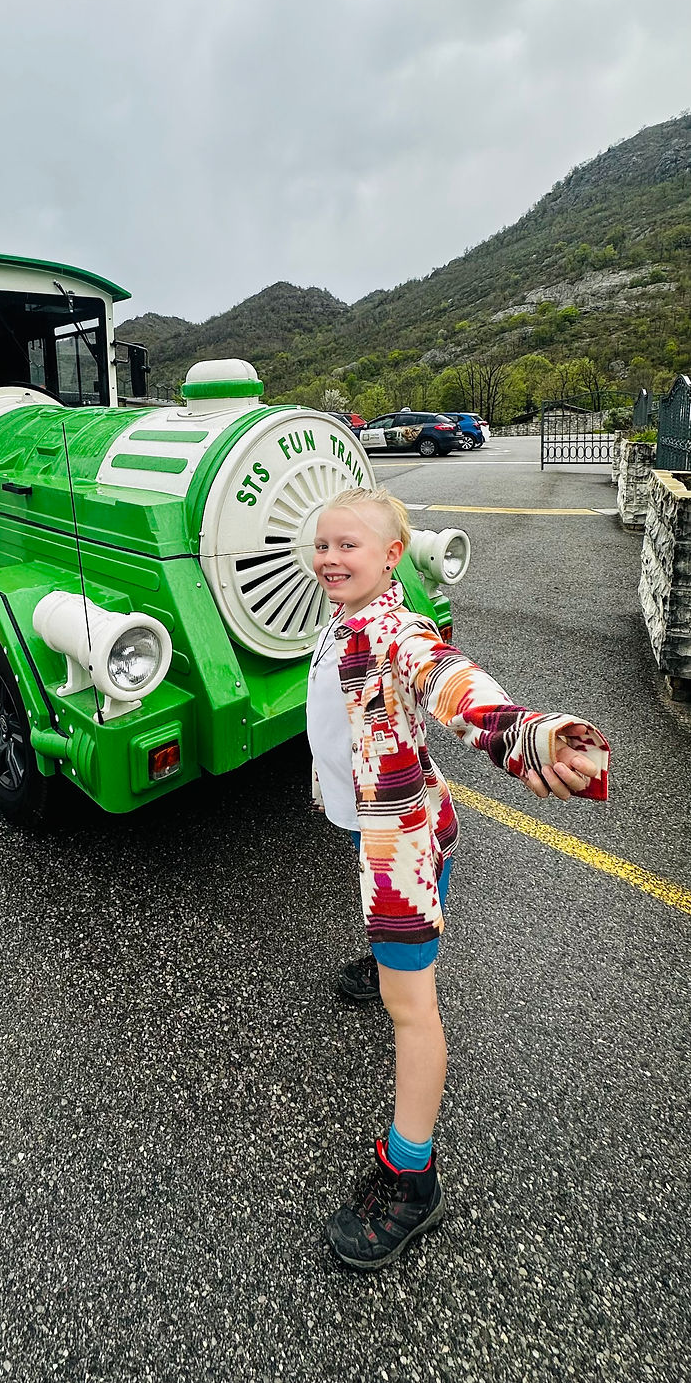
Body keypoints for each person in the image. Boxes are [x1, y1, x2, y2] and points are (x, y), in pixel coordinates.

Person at [307, 486, 609, 1272]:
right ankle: (379, 961)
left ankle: (412, 1180)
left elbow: (453, 682)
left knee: (413, 1012)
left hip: (399, 851)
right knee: (389, 963)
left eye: (349, 546)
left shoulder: (398, 630)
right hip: (381, 821)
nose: (330, 558)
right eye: (323, 545)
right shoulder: (345, 614)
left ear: (392, 556)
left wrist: (530, 736)